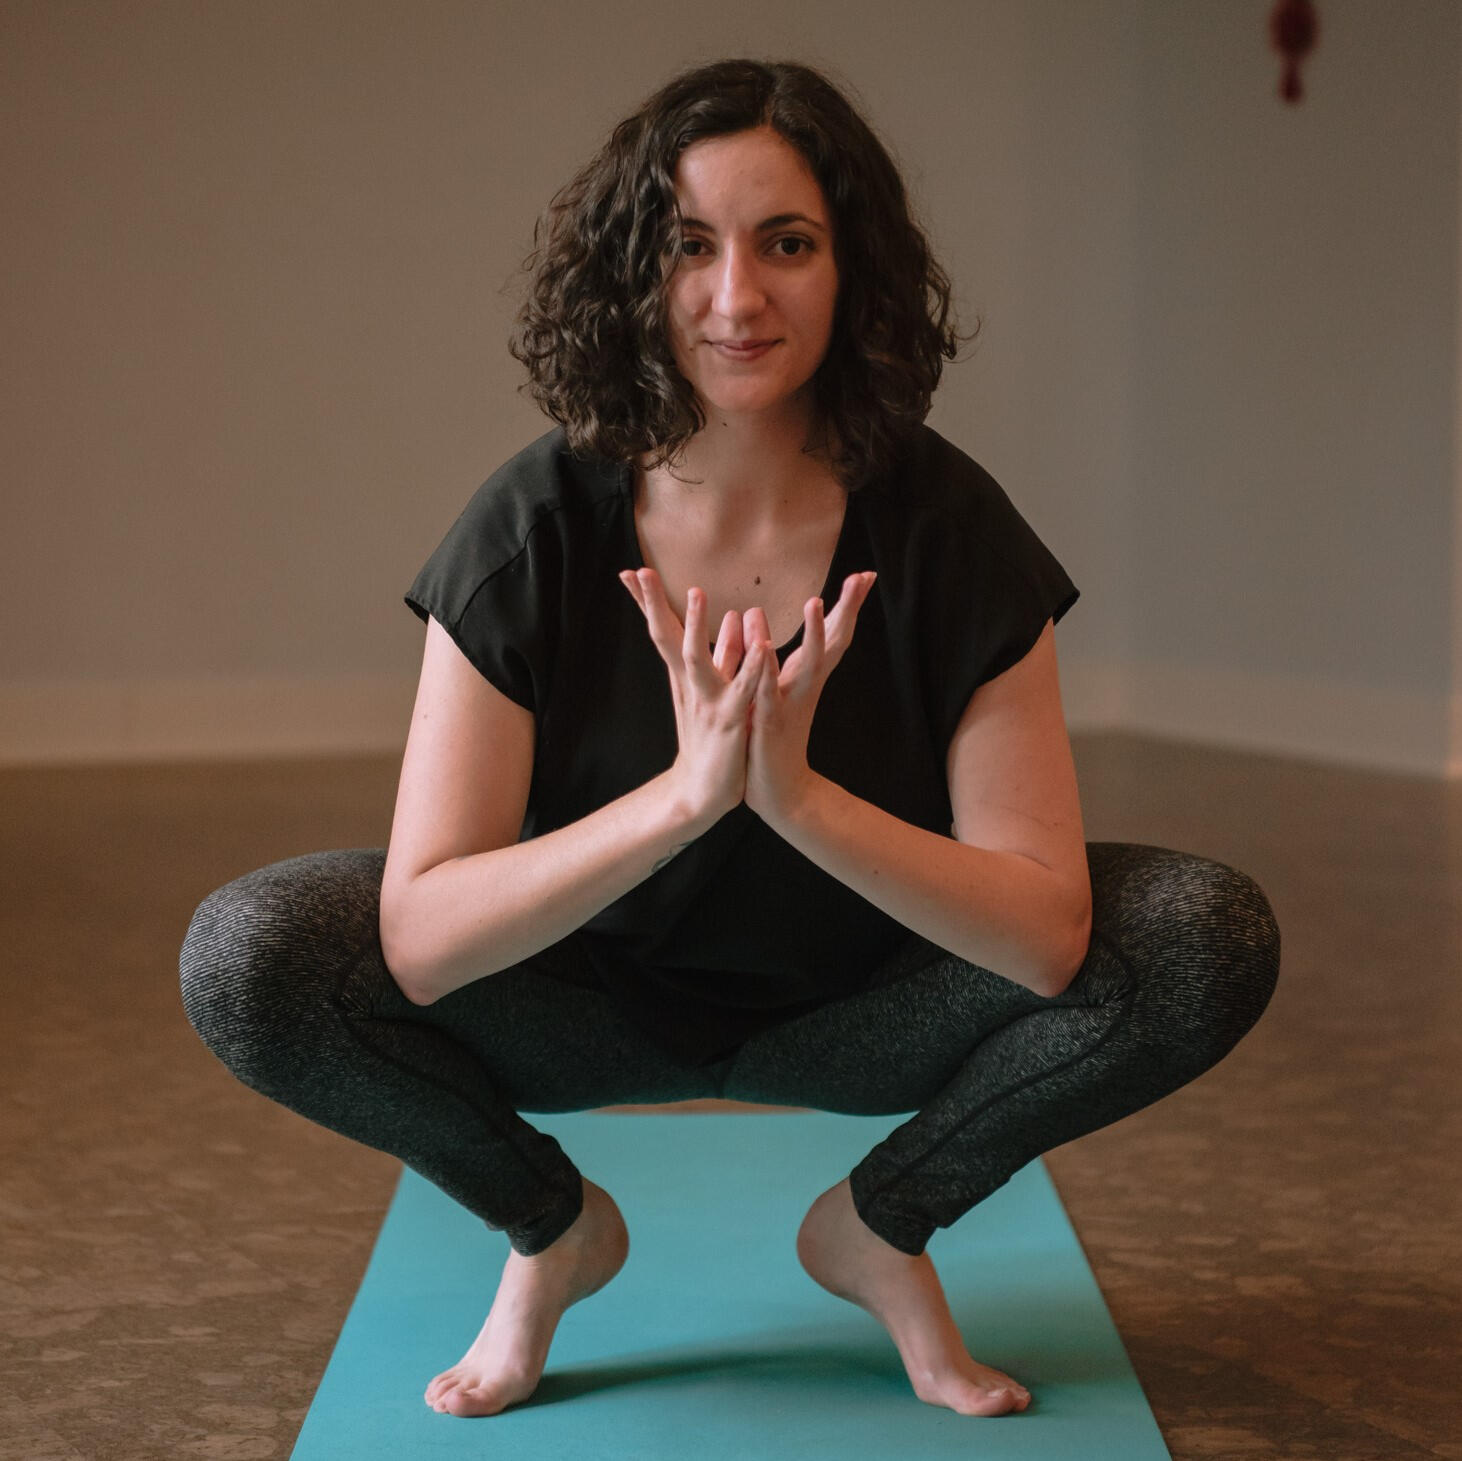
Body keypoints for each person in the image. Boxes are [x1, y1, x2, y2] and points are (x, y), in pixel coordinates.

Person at [180, 58, 1279, 1422]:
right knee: (249, 954)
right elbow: (423, 937)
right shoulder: (530, 530)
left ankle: (880, 1228)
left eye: (787, 244)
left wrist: (798, 798)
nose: (734, 298)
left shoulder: (948, 533)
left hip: (867, 1010)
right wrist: (691, 795)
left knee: (1199, 934)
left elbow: (1045, 935)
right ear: (634, 274)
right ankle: (551, 1230)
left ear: (851, 268)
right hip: (583, 1008)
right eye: (688, 245)